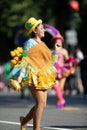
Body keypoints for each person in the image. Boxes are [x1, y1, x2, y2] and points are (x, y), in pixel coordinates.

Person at [9, 17, 56, 130]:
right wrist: (20, 75)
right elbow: (25, 59)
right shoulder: (29, 43)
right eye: (41, 28)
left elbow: (51, 61)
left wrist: (56, 50)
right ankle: (36, 128)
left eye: (43, 28)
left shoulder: (43, 44)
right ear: (35, 31)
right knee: (40, 103)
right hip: (33, 76)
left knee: (42, 104)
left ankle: (24, 121)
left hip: (43, 76)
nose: (44, 30)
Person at [51, 32, 75, 108]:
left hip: (62, 71)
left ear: (61, 43)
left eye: (60, 42)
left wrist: (70, 63)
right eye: (57, 42)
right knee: (56, 86)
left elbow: (68, 60)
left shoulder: (64, 51)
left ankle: (59, 101)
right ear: (55, 42)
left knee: (61, 88)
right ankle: (61, 100)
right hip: (54, 71)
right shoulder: (51, 51)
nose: (58, 43)